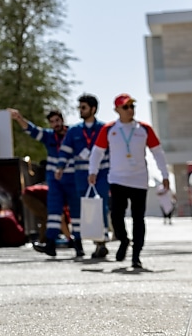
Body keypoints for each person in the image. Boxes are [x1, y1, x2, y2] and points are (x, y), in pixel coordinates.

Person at [88, 93, 170, 269]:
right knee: (116, 216)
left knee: (138, 218)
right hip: (117, 179)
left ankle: (136, 256)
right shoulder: (110, 129)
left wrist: (164, 175)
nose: (130, 110)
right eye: (125, 107)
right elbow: (97, 151)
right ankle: (124, 240)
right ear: (117, 110)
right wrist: (92, 171)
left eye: (132, 106)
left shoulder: (144, 129)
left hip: (139, 180)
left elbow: (157, 152)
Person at [9, 108, 81, 258]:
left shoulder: (73, 134)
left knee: (76, 213)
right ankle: (50, 244)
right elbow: (33, 130)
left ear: (62, 120)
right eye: (52, 122)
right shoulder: (49, 136)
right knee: (54, 212)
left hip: (72, 179)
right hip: (55, 181)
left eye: (57, 120)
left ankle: (78, 244)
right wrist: (19, 118)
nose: (55, 124)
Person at [61, 93, 111, 259]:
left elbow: (112, 152)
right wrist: (60, 167)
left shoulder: (104, 129)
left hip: (101, 175)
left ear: (93, 109)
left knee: (101, 207)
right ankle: (90, 241)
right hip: (81, 176)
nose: (80, 111)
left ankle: (101, 242)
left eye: (83, 107)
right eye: (79, 107)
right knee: (87, 210)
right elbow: (66, 151)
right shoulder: (74, 131)